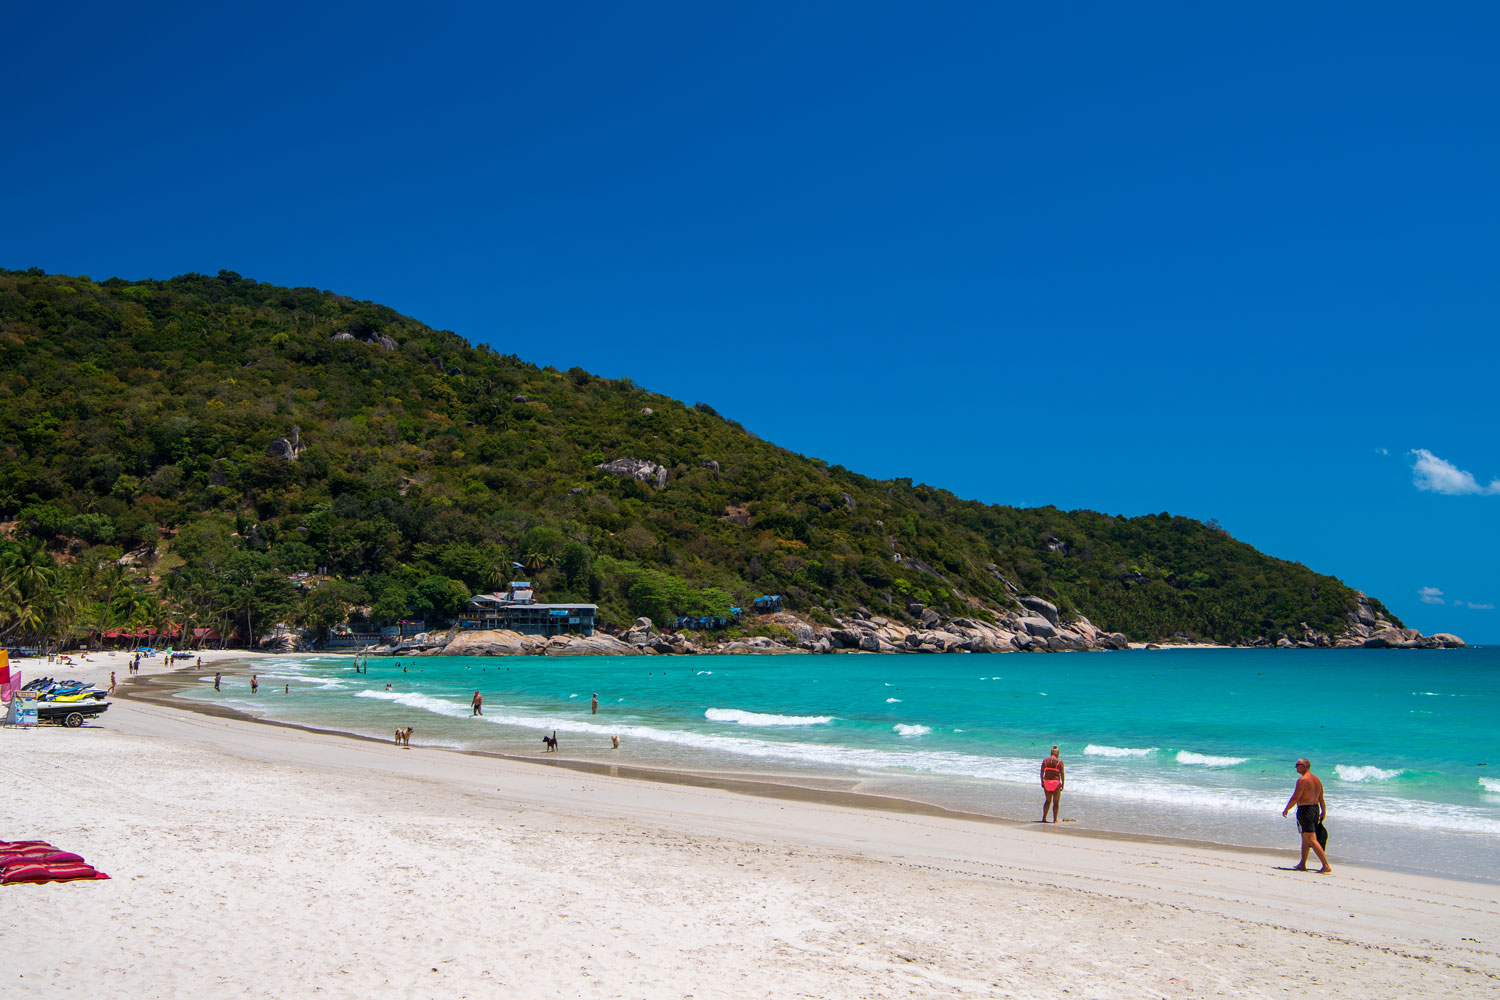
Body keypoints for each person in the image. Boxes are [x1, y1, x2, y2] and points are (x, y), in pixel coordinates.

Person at [1281, 758, 1332, 872]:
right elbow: (1321, 799)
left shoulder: (1302, 780)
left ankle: (1326, 865)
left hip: (1306, 810)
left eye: (1297, 765)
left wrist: (1286, 809)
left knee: (1311, 839)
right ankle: (1302, 863)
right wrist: (1323, 812)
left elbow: (1296, 797)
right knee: (1305, 838)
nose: (1296, 767)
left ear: (1304, 766)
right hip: (1315, 809)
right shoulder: (1317, 780)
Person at [1040, 745, 1065, 824]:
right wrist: (1063, 784)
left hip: (1047, 782)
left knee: (1047, 801)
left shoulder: (1045, 761)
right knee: (1056, 802)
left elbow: (1041, 772)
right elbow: (1062, 774)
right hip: (1055, 782)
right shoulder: (1059, 762)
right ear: (1057, 753)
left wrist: (1042, 782)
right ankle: (1055, 820)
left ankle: (1044, 818)